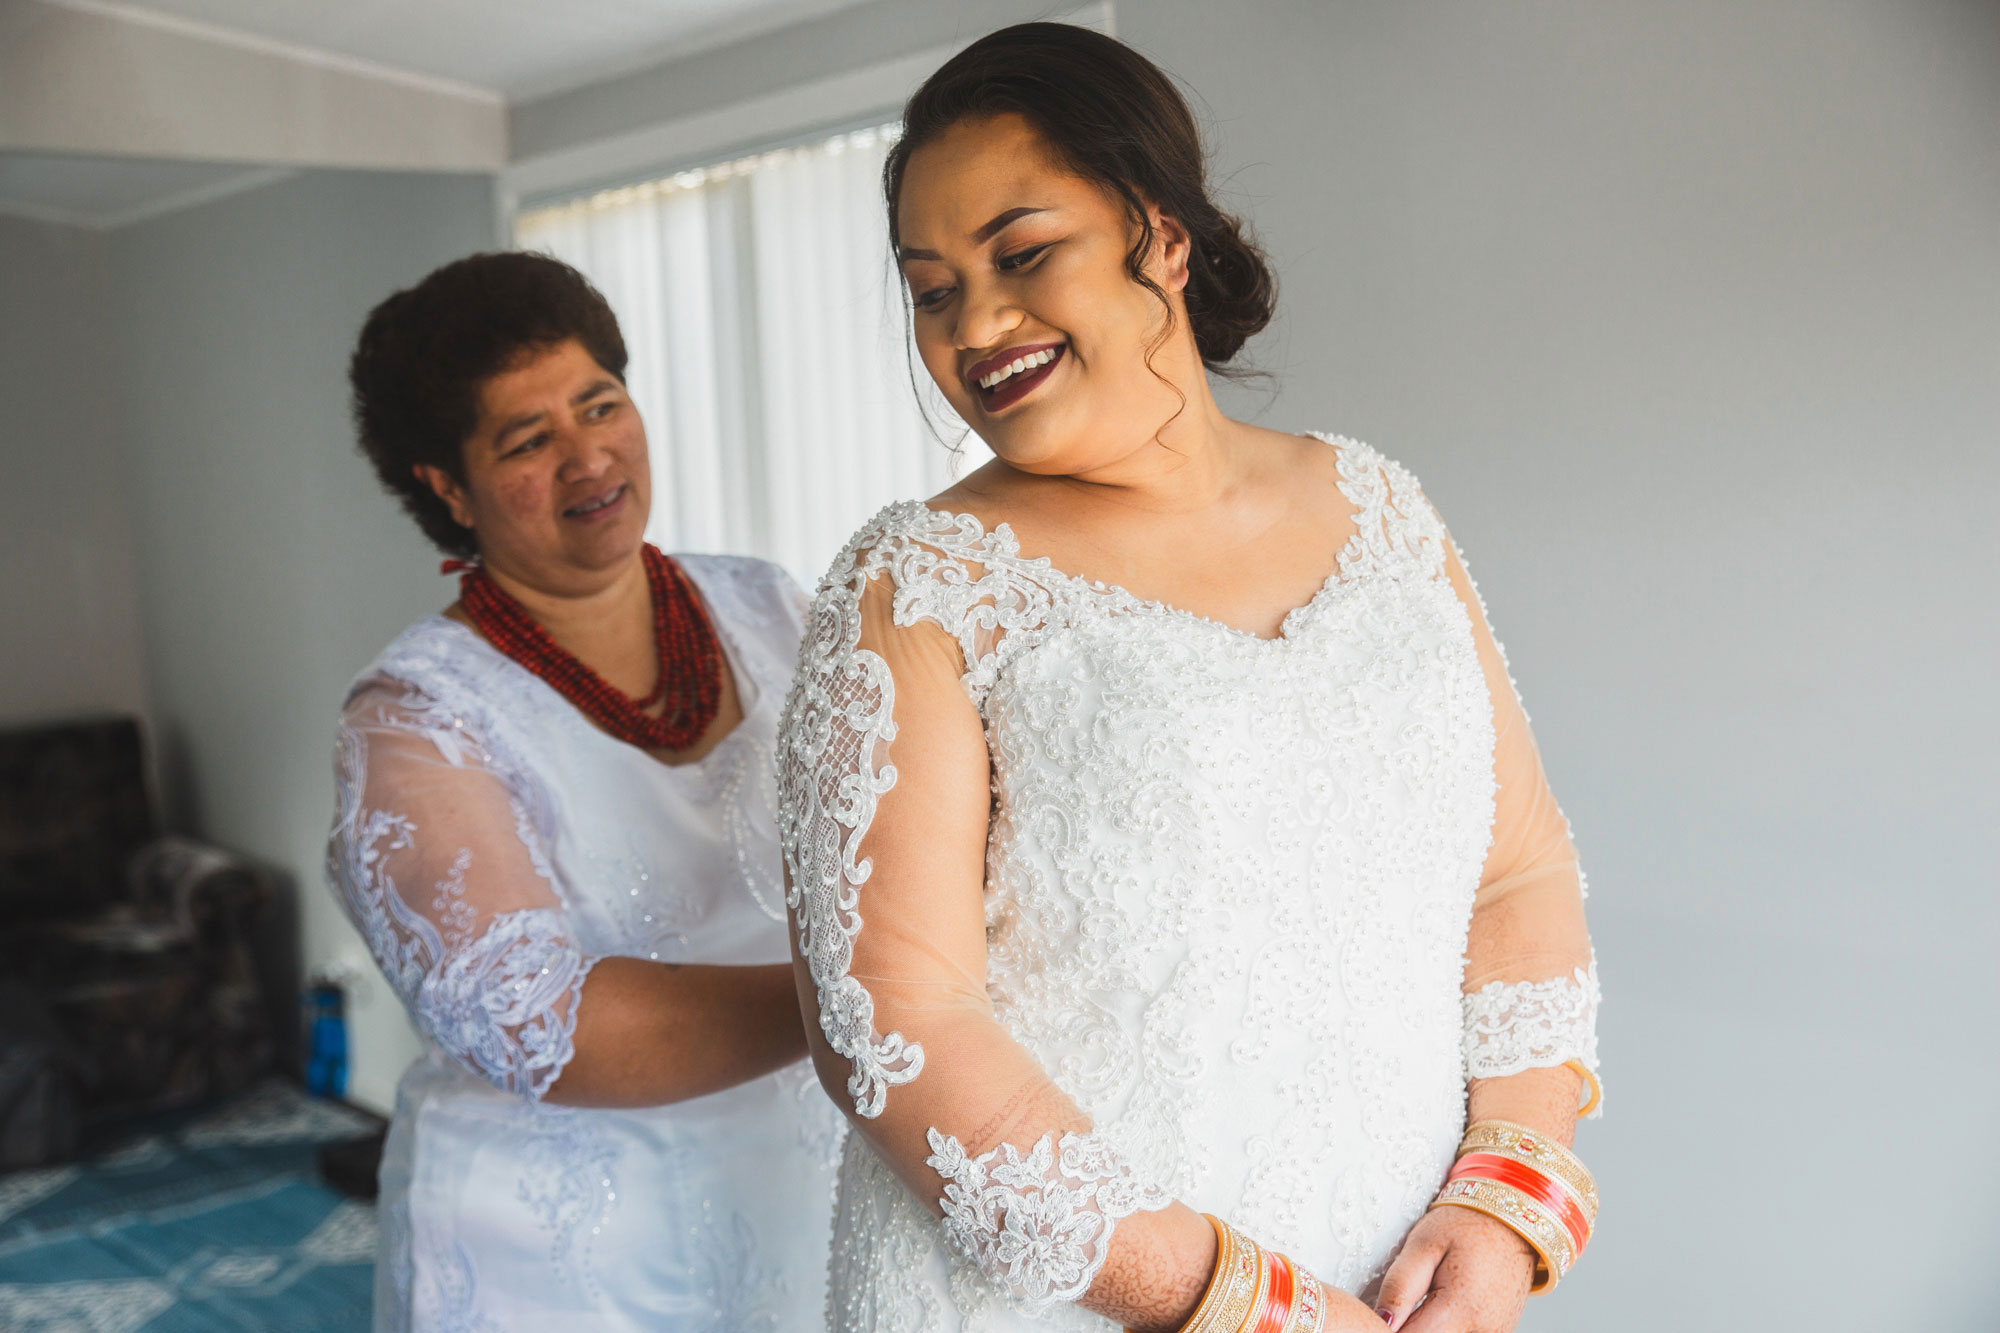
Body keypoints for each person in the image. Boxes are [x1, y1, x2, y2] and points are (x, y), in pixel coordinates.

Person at [778, 24, 1602, 1333]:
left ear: (1161, 233)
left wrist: (1509, 1197)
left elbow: (1516, 874)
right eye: (932, 289)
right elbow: (895, 1031)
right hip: (1065, 1298)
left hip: (1400, 1276)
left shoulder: (1380, 508)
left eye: (1022, 252)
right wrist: (1242, 1308)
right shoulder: (916, 584)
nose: (975, 324)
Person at [328, 252, 838, 1330]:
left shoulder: (766, 603)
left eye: (600, 403)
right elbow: (534, 1022)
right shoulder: (418, 718)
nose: (588, 453)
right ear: (447, 487)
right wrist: (874, 996)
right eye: (528, 439)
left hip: (800, 1189)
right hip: (565, 1258)